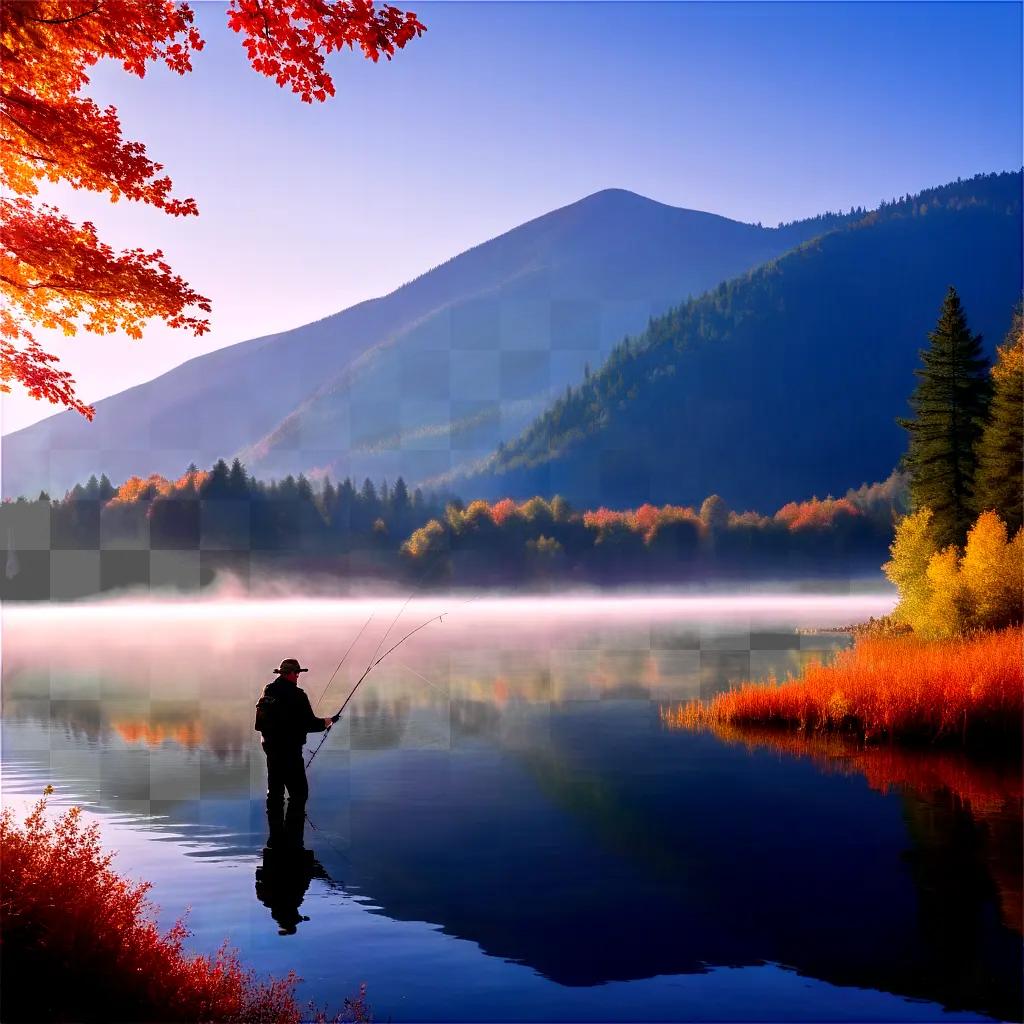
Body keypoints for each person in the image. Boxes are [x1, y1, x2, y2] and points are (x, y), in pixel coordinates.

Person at [255, 658, 338, 849]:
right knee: (299, 794)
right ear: (291, 674)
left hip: (270, 748)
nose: (298, 676)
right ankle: (293, 843)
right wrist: (329, 721)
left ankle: (274, 840)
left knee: (275, 793)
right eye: (297, 673)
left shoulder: (269, 690)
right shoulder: (298, 695)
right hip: (290, 751)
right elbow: (310, 724)